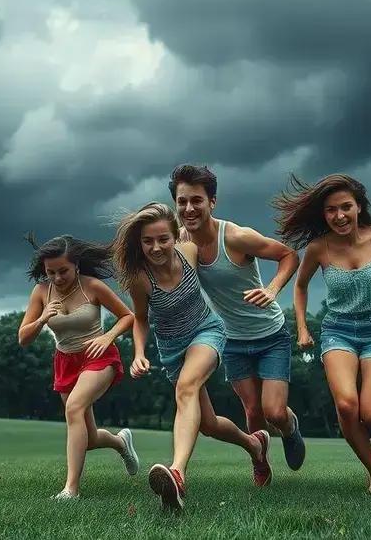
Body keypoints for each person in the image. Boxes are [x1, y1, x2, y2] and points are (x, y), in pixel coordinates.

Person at [112, 202, 271, 511]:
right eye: (147, 241)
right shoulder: (139, 279)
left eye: (163, 239)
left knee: (186, 388)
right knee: (208, 424)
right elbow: (141, 319)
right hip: (172, 350)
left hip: (206, 331)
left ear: (175, 236)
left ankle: (177, 474)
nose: (156, 247)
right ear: (139, 243)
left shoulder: (189, 251)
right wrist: (139, 353)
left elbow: (212, 241)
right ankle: (255, 444)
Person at [274, 174, 371, 493]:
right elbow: (300, 287)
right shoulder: (319, 247)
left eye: (346, 207)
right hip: (338, 330)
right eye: (331, 210)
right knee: (345, 406)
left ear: (359, 207)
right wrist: (302, 327)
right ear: (323, 214)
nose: (339, 215)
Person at [169, 164, 306, 475]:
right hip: (231, 339)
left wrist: (272, 289)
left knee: (274, 412)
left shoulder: (235, 237)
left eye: (197, 200)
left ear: (212, 202)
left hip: (270, 335)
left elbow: (289, 255)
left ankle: (290, 427)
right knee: (253, 412)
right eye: (182, 201)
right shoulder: (178, 243)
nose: (189, 208)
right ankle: (260, 461)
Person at [16, 234, 141, 500]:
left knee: (73, 407)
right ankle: (120, 442)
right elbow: (23, 338)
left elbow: (128, 316)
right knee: (90, 438)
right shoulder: (41, 292)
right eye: (51, 272)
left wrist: (108, 336)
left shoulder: (92, 286)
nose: (57, 278)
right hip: (66, 362)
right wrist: (42, 319)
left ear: (76, 265)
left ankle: (70, 489)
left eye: (63, 271)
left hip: (98, 356)